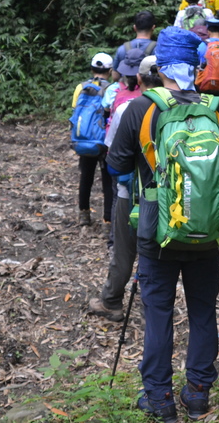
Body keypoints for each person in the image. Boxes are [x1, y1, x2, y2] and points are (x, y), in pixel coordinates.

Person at [106, 27, 219, 423]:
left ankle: (160, 399)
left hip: (155, 231)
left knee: (159, 314)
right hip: (206, 231)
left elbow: (114, 166)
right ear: (196, 65)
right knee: (203, 312)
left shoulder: (142, 109)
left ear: (159, 66)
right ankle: (198, 393)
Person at [89, 53, 161, 322]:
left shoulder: (127, 109)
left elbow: (114, 162)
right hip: (170, 197)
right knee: (155, 253)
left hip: (130, 195)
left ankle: (111, 301)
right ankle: (153, 311)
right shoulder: (179, 109)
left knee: (124, 251)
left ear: (139, 78)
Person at [71, 52, 116, 227]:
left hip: (84, 139)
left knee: (86, 177)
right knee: (107, 181)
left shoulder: (80, 87)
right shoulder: (111, 89)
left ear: (92, 68)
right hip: (104, 142)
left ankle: (84, 215)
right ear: (110, 70)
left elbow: (75, 112)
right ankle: (107, 221)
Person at [112, 10, 157, 82]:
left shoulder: (122, 49)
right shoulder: (158, 49)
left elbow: (115, 76)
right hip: (149, 90)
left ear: (134, 27)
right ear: (153, 27)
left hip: (127, 89)